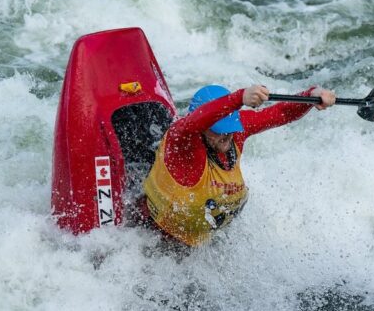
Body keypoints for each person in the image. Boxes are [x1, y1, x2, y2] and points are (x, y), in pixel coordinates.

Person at [142, 84, 336, 246]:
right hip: (156, 242)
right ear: (203, 128)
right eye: (218, 129)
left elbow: (280, 113)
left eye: (229, 127)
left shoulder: (235, 131)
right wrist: (240, 97)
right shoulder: (183, 143)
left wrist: (311, 95)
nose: (226, 135)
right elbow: (193, 122)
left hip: (201, 241)